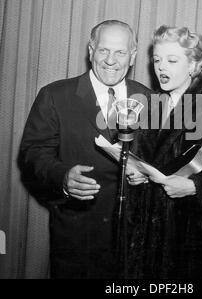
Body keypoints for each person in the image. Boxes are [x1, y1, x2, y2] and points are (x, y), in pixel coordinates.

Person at [19, 20, 152, 279]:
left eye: (120, 52)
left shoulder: (150, 99)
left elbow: (159, 160)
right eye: (103, 50)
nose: (111, 60)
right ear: (91, 51)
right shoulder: (55, 95)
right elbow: (33, 153)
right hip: (78, 238)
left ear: (133, 56)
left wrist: (147, 175)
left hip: (134, 240)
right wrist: (63, 176)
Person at [127, 25, 202, 279]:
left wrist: (195, 187)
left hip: (191, 240)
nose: (161, 67)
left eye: (171, 60)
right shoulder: (156, 104)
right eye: (157, 60)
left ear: (193, 65)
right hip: (149, 239)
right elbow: (149, 161)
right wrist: (137, 174)